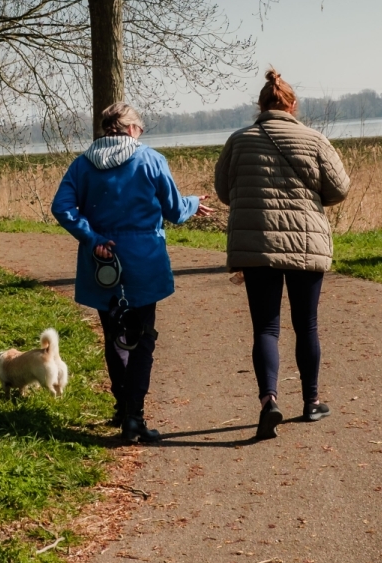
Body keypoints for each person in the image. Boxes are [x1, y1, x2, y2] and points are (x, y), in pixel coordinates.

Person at [52, 102, 214, 443]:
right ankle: (134, 417)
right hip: (143, 261)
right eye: (140, 129)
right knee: (142, 338)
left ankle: (121, 406)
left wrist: (92, 237)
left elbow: (62, 207)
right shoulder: (151, 160)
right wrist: (193, 203)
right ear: (131, 129)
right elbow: (173, 210)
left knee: (115, 337)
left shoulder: (82, 165)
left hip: (102, 264)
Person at [214, 70, 351, 441]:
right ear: (292, 105)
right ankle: (311, 402)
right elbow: (340, 188)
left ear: (260, 106)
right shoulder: (315, 139)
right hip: (307, 242)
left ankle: (269, 400)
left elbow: (224, 190)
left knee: (265, 327)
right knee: (305, 324)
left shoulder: (238, 141)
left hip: (257, 246)